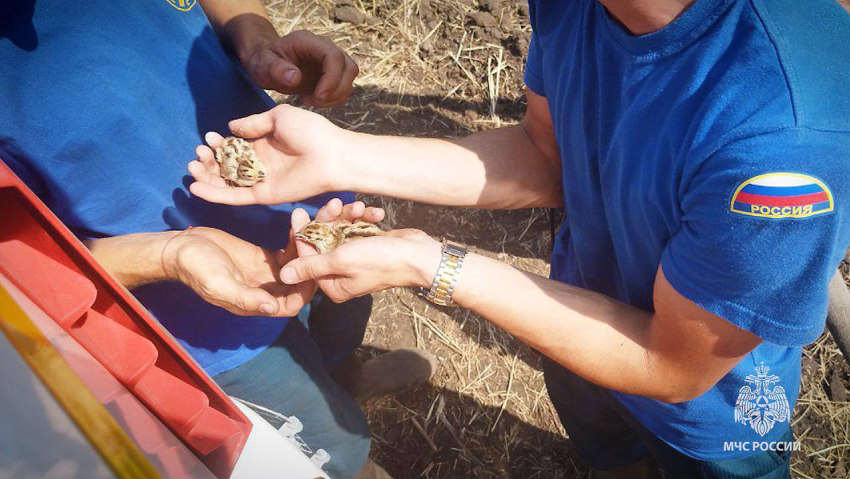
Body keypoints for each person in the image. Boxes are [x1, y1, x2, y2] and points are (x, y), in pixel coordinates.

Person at [188, 0, 850, 477]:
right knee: (604, 447)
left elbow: (673, 366)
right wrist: (341, 156)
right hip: (570, 313)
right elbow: (546, 157)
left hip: (718, 413)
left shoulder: (787, 134)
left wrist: (431, 263)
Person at [0, 1, 434, 478]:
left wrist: (253, 35)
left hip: (299, 212)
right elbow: (21, 273)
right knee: (331, 445)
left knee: (341, 317)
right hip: (195, 311)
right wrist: (168, 254)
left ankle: (344, 377)